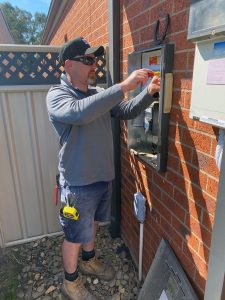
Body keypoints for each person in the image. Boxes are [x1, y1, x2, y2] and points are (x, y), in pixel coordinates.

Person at [46, 36, 160, 300]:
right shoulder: (57, 95)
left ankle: (89, 260)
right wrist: (122, 86)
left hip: (101, 177)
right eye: (87, 60)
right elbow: (79, 113)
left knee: (92, 226)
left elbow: (126, 110)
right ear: (68, 65)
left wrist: (148, 93)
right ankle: (70, 281)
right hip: (75, 183)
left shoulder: (97, 94)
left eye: (94, 59)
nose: (93, 64)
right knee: (74, 234)